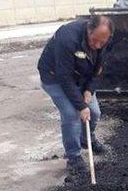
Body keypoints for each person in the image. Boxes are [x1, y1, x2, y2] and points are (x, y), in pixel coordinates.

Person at [37, 15, 113, 173]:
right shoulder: (67, 39)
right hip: (55, 77)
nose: (98, 45)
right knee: (72, 115)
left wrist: (88, 90)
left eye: (102, 42)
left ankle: (87, 140)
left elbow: (99, 68)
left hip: (81, 78)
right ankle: (73, 157)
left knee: (94, 112)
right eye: (94, 41)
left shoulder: (104, 39)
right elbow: (64, 77)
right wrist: (80, 105)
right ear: (88, 30)